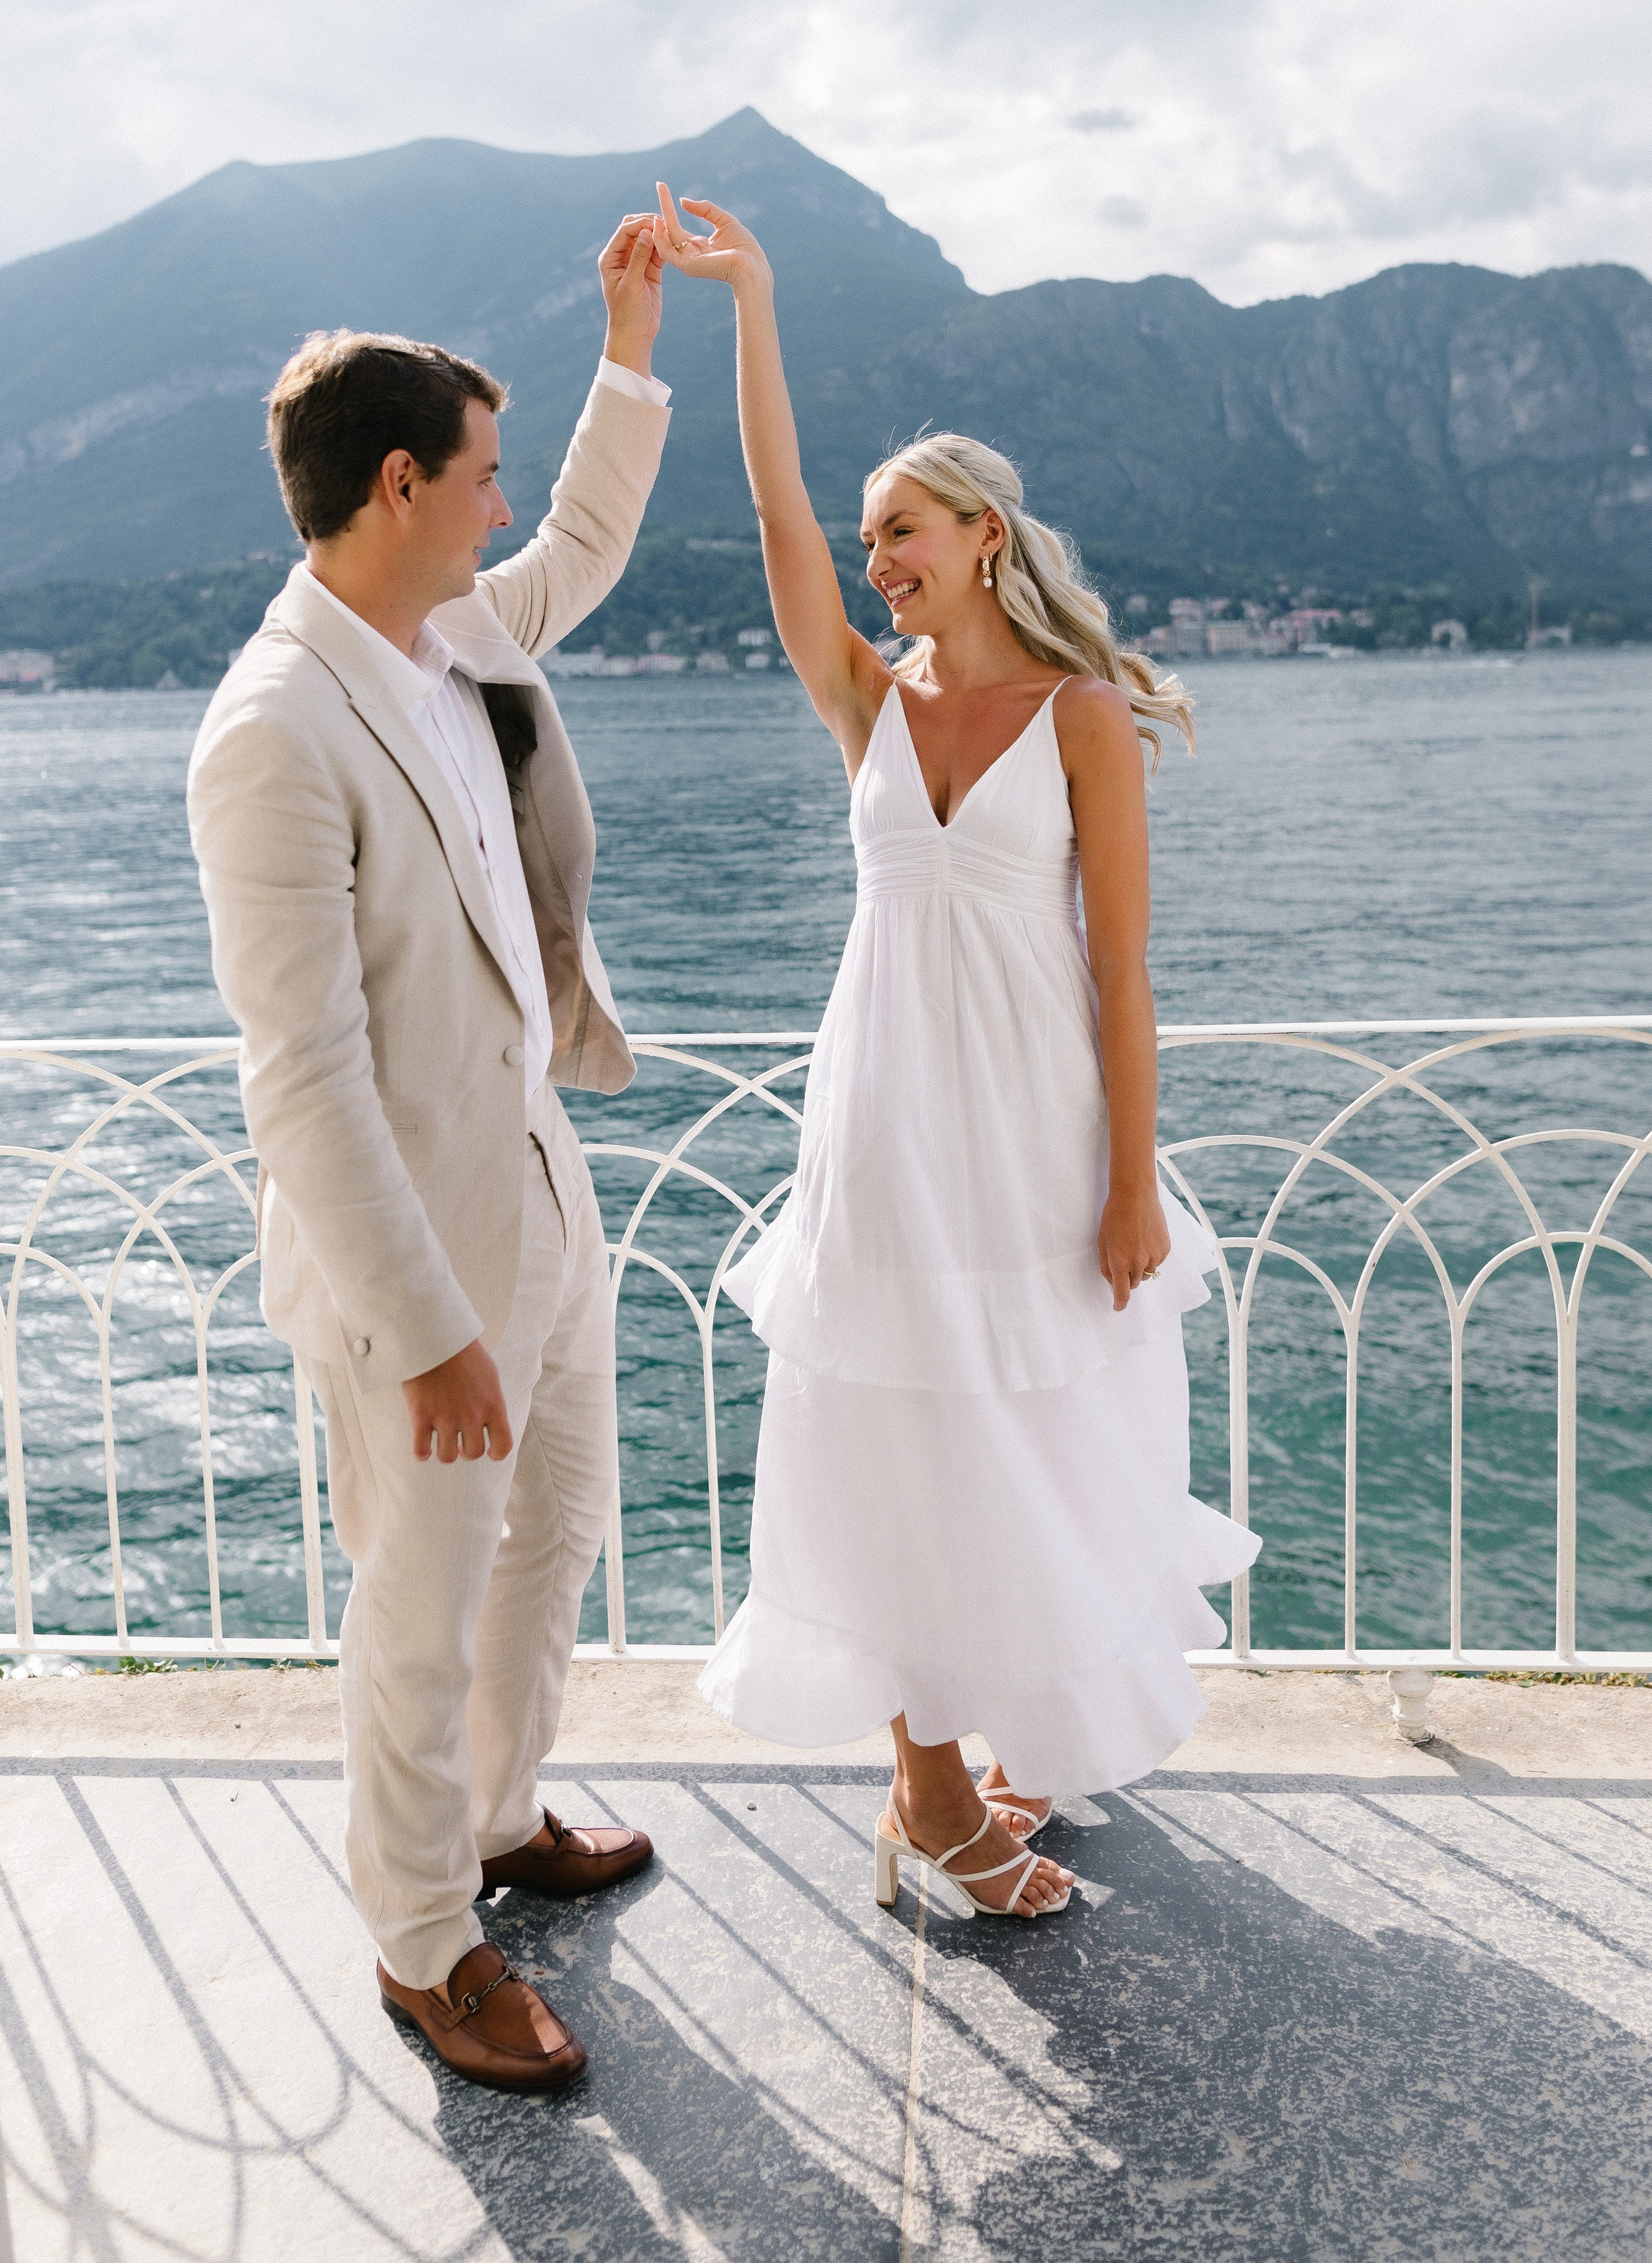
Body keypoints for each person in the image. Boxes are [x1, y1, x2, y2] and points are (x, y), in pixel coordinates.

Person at [651, 182, 1261, 1920]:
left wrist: (1130, 1185)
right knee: (887, 1438)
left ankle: (1007, 1736)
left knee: (1039, 1440)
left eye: (903, 529)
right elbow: (772, 510)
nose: (876, 557)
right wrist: (751, 300)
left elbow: (1121, 973)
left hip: (1033, 1129)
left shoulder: (1081, 716)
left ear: (984, 534)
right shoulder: (868, 698)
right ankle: (922, 1786)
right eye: (869, 540)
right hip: (880, 1125)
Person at [187, 218, 673, 2093]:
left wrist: (628, 345)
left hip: (537, 1184)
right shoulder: (273, 729)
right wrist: (427, 1327)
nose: (502, 506)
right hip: (419, 1259)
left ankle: (497, 1814)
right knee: (417, 1601)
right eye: (481, 473)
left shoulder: (447, 631)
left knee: (558, 1530)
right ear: (399, 484)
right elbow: (304, 1080)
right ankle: (420, 1941)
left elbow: (588, 543)